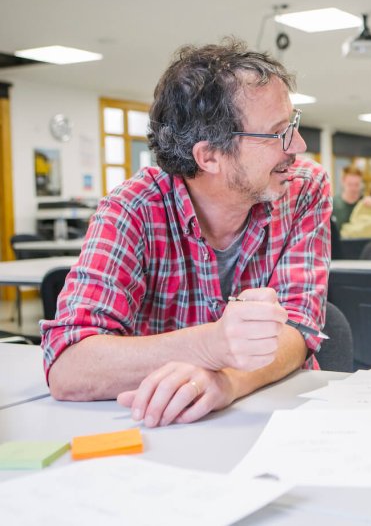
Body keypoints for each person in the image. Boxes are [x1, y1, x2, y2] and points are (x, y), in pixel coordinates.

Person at [41, 39, 332, 427]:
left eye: (292, 124)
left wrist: (226, 381)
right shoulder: (133, 209)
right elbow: (69, 367)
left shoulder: (303, 188)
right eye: (278, 133)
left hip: (272, 416)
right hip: (158, 426)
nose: (298, 145)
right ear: (209, 156)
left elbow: (299, 327)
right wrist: (211, 346)